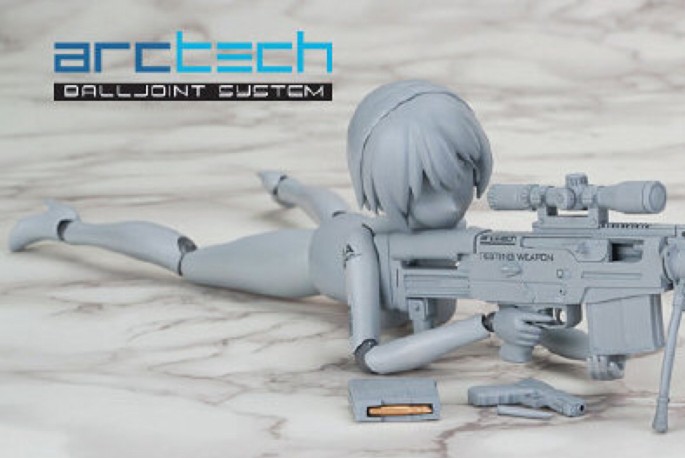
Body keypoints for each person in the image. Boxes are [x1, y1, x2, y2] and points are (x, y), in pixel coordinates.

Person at [8, 81, 570, 375]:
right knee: (191, 262)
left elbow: (534, 320)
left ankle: (289, 186)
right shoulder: (360, 252)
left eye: (461, 173)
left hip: (351, 226)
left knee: (334, 211)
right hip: (312, 258)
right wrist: (487, 326)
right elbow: (372, 357)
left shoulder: (460, 234)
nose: (448, 202)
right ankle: (65, 225)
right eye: (424, 188)